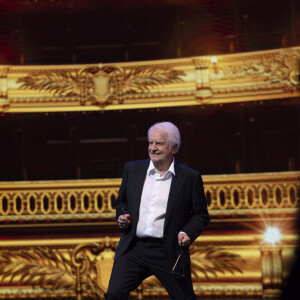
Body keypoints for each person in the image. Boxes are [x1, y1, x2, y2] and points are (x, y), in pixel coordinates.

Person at [105, 122, 210, 299]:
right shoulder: (133, 169)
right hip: (134, 248)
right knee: (114, 294)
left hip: (168, 251)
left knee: (185, 297)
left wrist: (187, 232)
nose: (152, 148)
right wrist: (122, 216)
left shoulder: (190, 178)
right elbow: (121, 202)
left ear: (173, 148)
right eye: (150, 143)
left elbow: (201, 215)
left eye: (159, 143)